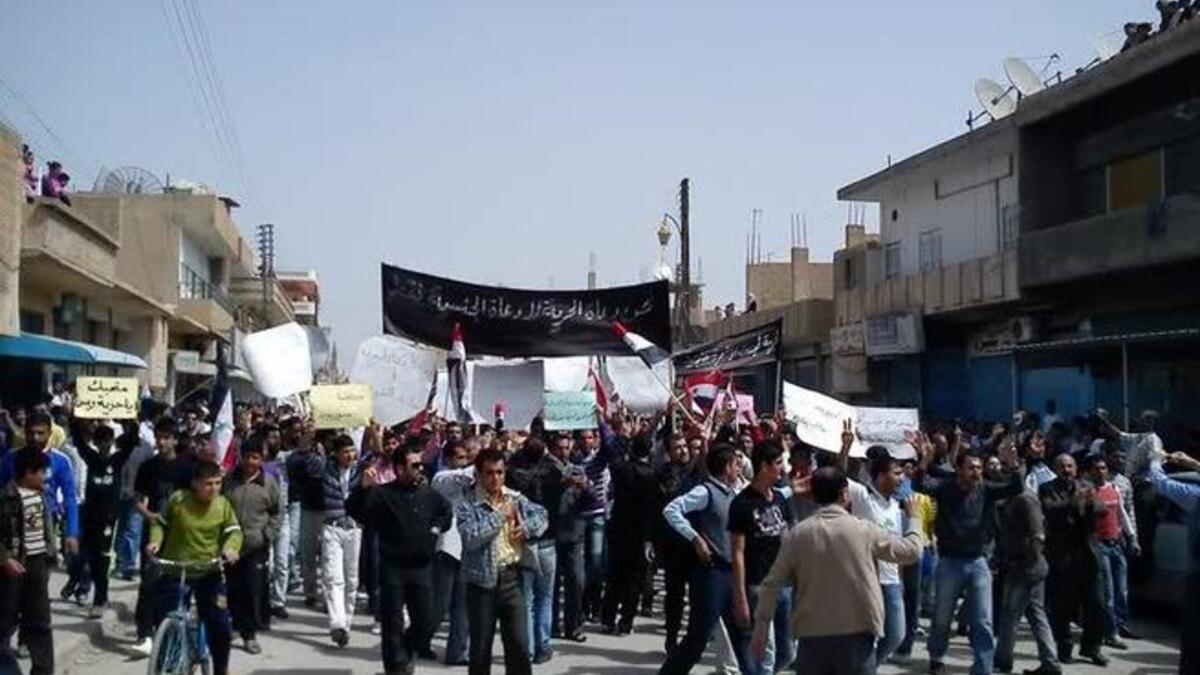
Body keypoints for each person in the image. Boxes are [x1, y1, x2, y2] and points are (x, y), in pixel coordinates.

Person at [750, 466, 923, 675]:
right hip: (857, 634)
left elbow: (771, 584)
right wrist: (914, 519)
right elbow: (911, 552)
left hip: (812, 637)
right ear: (845, 494)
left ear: (813, 496)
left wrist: (761, 627)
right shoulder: (864, 530)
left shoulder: (798, 535)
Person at [912, 431, 1024, 675]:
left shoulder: (986, 489)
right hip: (949, 563)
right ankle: (936, 657)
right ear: (959, 470)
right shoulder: (945, 487)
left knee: (983, 619)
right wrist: (925, 461)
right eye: (971, 468)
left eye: (979, 468)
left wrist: (1014, 464)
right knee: (942, 617)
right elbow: (919, 484)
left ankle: (983, 667)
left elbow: (1015, 488)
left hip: (978, 562)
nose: (977, 472)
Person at [347, 440, 453, 675]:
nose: (420, 469)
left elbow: (446, 513)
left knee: (425, 621)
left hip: (421, 568)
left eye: (421, 464)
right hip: (393, 567)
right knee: (392, 624)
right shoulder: (383, 494)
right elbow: (356, 511)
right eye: (414, 465)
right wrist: (363, 489)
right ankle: (395, 668)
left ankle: (407, 650)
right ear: (399, 468)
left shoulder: (429, 494)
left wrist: (436, 528)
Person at [658, 443, 750, 675]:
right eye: (735, 464)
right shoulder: (705, 492)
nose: (739, 467)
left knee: (742, 636)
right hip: (712, 574)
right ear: (726, 467)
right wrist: (696, 538)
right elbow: (671, 510)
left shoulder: (737, 493)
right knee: (698, 636)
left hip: (732, 573)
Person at [456, 447, 548, 675]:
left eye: (499, 472)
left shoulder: (514, 498)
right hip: (481, 584)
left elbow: (542, 515)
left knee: (519, 645)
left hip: (512, 578)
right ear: (479, 474)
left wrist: (526, 528)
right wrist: (499, 516)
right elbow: (470, 537)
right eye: (489, 473)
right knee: (480, 649)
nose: (495, 478)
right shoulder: (468, 503)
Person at [147, 460, 242, 675]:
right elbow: (160, 523)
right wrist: (155, 541)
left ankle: (221, 668)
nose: (214, 488)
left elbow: (234, 531)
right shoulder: (178, 500)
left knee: (219, 624)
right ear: (195, 484)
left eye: (217, 483)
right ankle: (166, 665)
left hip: (208, 571)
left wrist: (230, 548)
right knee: (165, 618)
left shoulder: (223, 505)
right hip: (176, 570)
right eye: (208, 484)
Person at [838, 434, 906, 666]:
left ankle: (867, 668)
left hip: (892, 581)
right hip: (867, 581)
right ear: (881, 475)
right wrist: (845, 448)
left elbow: (897, 545)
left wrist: (900, 577)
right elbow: (839, 478)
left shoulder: (895, 506)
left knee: (896, 634)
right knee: (866, 638)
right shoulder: (864, 498)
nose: (901, 478)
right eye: (896, 473)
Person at [729, 441, 794, 675]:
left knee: (787, 652)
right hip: (758, 586)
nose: (782, 469)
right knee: (767, 653)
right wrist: (740, 597)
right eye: (778, 463)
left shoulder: (780, 499)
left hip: (784, 585)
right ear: (764, 466)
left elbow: (788, 538)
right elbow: (737, 552)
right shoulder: (742, 503)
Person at [131, 417, 195, 655]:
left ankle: (169, 630)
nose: (162, 442)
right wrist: (150, 516)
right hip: (153, 534)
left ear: (175, 440)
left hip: (180, 535)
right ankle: (145, 634)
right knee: (148, 583)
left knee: (176, 585)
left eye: (166, 438)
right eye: (158, 438)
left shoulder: (187, 467)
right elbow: (137, 500)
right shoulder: (148, 467)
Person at [1040, 454, 1107, 666]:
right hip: (1062, 556)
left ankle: (1092, 647)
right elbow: (1050, 509)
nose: (1066, 470)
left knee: (1097, 603)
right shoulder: (1047, 488)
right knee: (1062, 606)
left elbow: (1101, 509)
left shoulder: (1087, 486)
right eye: (1062, 466)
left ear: (1076, 468)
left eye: (1070, 466)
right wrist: (1076, 502)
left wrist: (1087, 501)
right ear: (1055, 469)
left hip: (1088, 555)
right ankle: (1064, 647)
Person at [506, 437, 563, 663]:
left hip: (526, 541)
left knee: (527, 598)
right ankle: (543, 645)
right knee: (544, 596)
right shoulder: (554, 472)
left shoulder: (513, 474)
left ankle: (528, 649)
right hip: (546, 540)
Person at [994, 482, 1060, 675]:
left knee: (1010, 616)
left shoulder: (1026, 499)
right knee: (1036, 615)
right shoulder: (1014, 498)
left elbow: (1037, 535)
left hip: (1024, 567)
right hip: (1025, 565)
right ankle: (1050, 662)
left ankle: (1002, 661)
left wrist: (1029, 562)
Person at [599, 426, 659, 638]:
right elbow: (652, 509)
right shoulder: (651, 475)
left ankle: (607, 619)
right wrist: (650, 539)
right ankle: (626, 622)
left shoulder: (621, 468)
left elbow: (611, 452)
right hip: (640, 534)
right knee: (634, 580)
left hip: (619, 527)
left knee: (615, 576)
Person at [0, 448, 56, 675]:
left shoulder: (42, 496)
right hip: (12, 568)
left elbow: (47, 530)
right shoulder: (5, 498)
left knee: (40, 623)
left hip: (37, 565)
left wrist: (50, 557)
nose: (45, 477)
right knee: (5, 624)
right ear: (28, 473)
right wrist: (5, 559)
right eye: (41, 472)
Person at [224, 441, 281, 655]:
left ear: (261, 459)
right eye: (247, 457)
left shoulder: (269, 483)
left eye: (255, 457)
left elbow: (277, 512)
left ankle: (249, 635)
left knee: (251, 589)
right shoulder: (229, 480)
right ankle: (235, 625)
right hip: (230, 544)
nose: (250, 462)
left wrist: (267, 535)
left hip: (256, 545)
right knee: (233, 587)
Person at [0, 412, 80, 566]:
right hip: (13, 523)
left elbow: (70, 497)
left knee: (40, 574)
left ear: (50, 433)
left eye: (40, 433)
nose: (35, 437)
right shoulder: (10, 459)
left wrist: (72, 532)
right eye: (31, 433)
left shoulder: (60, 461)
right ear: (25, 432)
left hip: (46, 524)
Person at [1147, 451, 1200, 673]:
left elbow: (1160, 483)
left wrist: (1156, 460)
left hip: (1197, 575)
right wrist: (1193, 463)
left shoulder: (1194, 495)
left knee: (1194, 635)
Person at [1084, 454, 1137, 651]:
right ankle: (1111, 632)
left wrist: (1132, 538)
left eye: (1103, 468)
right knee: (1109, 593)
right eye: (1096, 468)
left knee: (1122, 590)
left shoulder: (1114, 489)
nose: (1101, 472)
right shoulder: (1088, 492)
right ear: (1090, 472)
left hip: (1117, 545)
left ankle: (1120, 625)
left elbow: (1122, 514)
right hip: (1100, 546)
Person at [431, 441, 475, 666]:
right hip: (447, 548)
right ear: (448, 459)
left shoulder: (473, 481)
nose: (463, 461)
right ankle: (418, 638)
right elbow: (460, 477)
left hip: (468, 547)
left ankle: (457, 652)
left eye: (466, 457)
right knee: (440, 604)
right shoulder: (441, 478)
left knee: (463, 603)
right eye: (459, 457)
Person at [653, 432, 698, 653]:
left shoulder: (695, 471)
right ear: (669, 452)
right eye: (677, 447)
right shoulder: (662, 475)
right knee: (675, 595)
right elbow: (654, 509)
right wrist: (650, 541)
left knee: (697, 595)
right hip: (672, 544)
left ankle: (693, 639)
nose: (683, 451)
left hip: (696, 542)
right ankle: (671, 637)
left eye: (684, 446)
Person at [78, 424, 125, 619]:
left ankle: (100, 599)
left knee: (102, 560)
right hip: (89, 516)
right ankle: (77, 583)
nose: (104, 445)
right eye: (100, 441)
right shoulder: (91, 458)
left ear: (112, 442)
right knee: (84, 557)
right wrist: (77, 416)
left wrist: (131, 418)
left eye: (108, 440)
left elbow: (131, 441)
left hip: (108, 519)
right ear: (95, 442)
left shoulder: (117, 460)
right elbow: (78, 439)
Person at [320, 434, 362, 648]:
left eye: (352, 451)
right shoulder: (325, 469)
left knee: (351, 579)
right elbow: (309, 458)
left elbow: (378, 453)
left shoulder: (361, 471)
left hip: (354, 528)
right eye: (345, 452)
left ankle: (346, 622)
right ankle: (337, 623)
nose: (349, 455)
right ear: (336, 453)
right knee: (333, 577)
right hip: (333, 527)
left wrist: (375, 433)